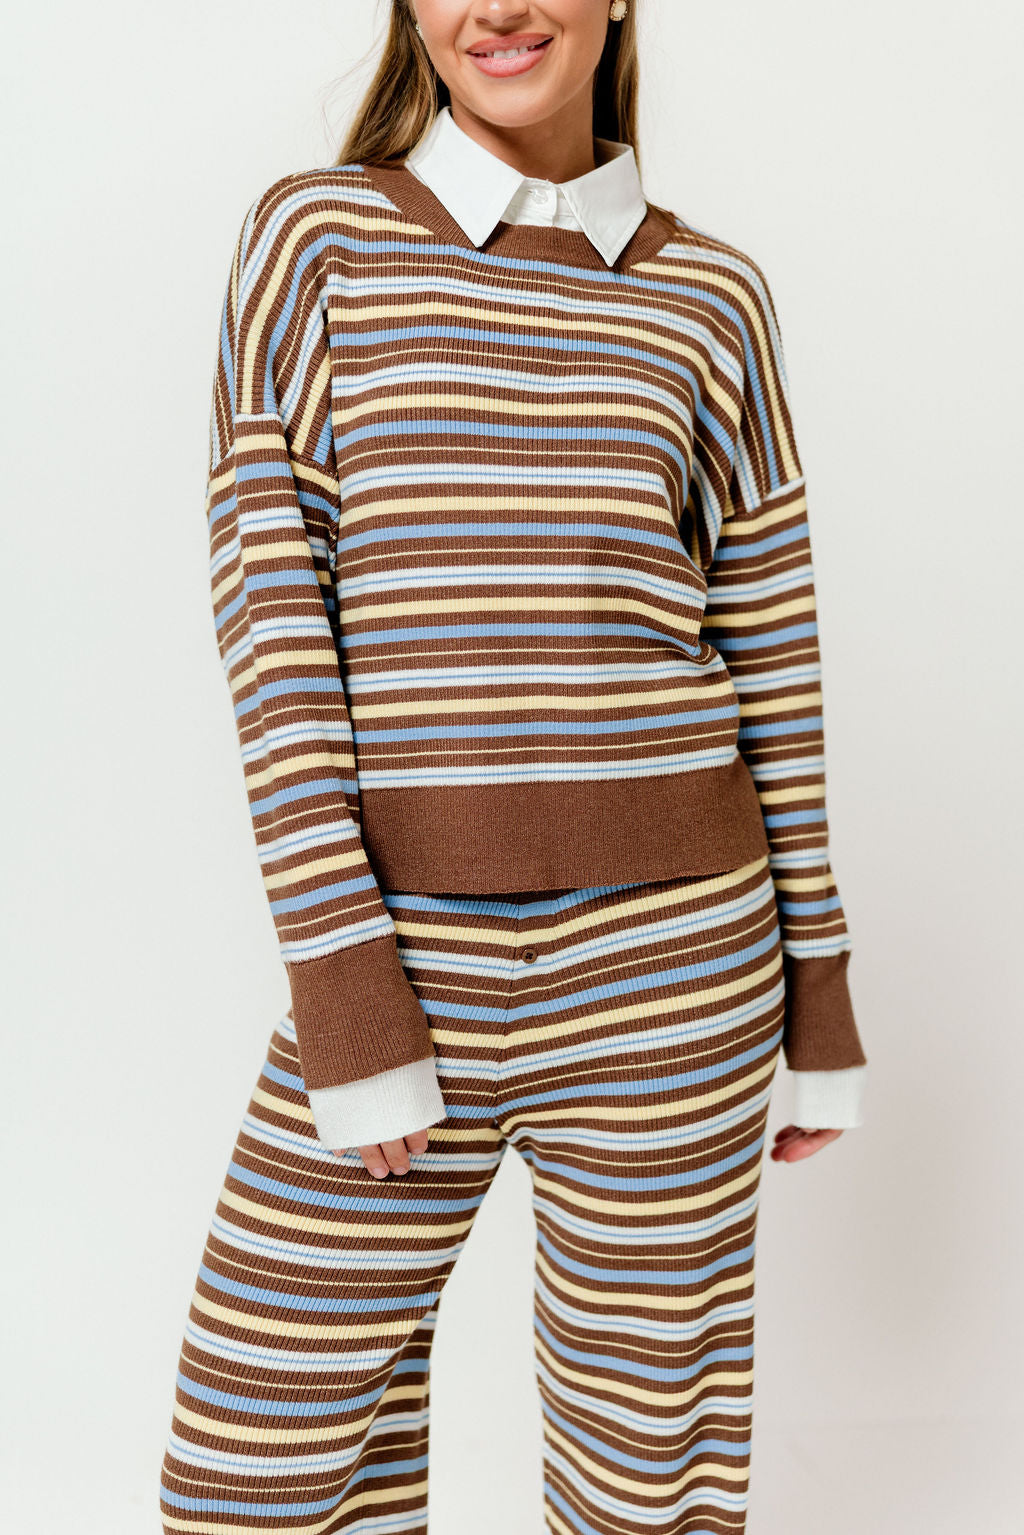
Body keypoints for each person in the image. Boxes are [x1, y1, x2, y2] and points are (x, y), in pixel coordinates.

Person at [158, 3, 868, 1530]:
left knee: (648, 1487)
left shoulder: (713, 295)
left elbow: (772, 649)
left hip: (684, 965)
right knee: (255, 1472)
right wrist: (347, 990)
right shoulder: (317, 240)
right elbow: (273, 626)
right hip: (405, 956)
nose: (496, 9)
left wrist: (819, 990)